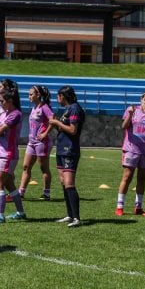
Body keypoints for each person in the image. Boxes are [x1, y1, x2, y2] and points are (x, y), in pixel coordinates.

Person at [0, 87, 25, 222]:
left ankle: (0, 216)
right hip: (3, 153)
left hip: (8, 153)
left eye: (2, 101)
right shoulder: (6, 113)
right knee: (9, 184)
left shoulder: (15, 114)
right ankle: (20, 212)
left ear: (10, 101)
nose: (0, 103)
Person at [47, 85, 85, 227]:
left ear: (63, 96)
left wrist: (57, 122)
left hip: (70, 150)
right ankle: (70, 215)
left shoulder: (75, 108)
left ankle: (77, 218)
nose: (57, 99)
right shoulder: (67, 109)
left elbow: (73, 130)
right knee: (63, 182)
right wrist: (56, 123)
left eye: (58, 96)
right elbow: (64, 129)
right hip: (61, 149)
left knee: (69, 183)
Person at [116, 90, 145, 216]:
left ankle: (138, 207)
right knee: (127, 177)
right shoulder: (132, 110)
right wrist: (129, 115)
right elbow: (124, 126)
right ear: (141, 99)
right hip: (131, 149)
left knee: (141, 178)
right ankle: (119, 206)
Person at [19, 85, 54, 202]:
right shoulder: (34, 107)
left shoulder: (44, 107)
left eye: (31, 94)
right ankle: (21, 192)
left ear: (38, 95)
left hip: (41, 143)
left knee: (44, 168)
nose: (29, 96)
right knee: (26, 166)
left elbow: (53, 120)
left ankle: (46, 193)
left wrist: (45, 134)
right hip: (32, 142)